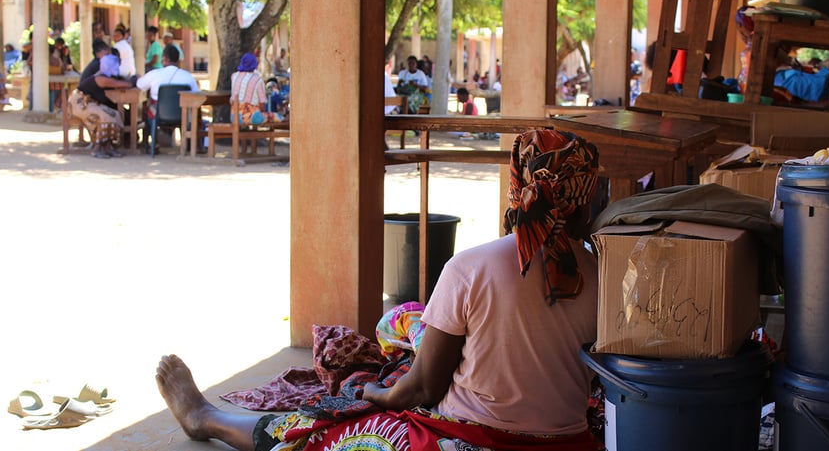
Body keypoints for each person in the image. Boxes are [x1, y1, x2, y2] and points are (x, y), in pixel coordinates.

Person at [156, 129, 601, 451]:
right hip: (570, 444)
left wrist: (379, 396)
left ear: (518, 187)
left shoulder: (472, 267)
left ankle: (205, 418)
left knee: (316, 432)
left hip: (466, 439)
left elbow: (424, 388)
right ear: (585, 201)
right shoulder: (603, 277)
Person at [69, 55, 132, 158]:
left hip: (90, 103)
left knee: (115, 114)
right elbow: (123, 84)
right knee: (105, 117)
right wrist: (132, 80)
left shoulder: (104, 77)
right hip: (80, 104)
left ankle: (108, 147)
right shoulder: (101, 78)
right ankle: (97, 148)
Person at [229, 52, 281, 124]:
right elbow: (262, 102)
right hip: (250, 117)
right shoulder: (257, 79)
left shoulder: (234, 76)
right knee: (276, 116)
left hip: (234, 116)